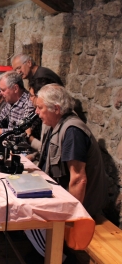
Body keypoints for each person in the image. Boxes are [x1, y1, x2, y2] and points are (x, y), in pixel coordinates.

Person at [25, 83, 107, 261]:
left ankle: (59, 258)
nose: (37, 112)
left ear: (56, 108)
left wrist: (69, 219)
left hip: (81, 206)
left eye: (40, 108)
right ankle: (43, 253)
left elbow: (79, 180)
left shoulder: (72, 131)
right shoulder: (58, 125)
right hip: (61, 194)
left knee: (25, 215)